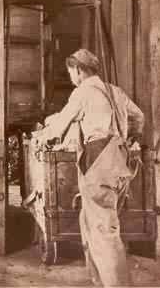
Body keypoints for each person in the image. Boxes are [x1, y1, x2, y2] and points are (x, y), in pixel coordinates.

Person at [34, 49, 144, 286]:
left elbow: (59, 125)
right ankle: (99, 280)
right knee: (89, 222)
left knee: (104, 229)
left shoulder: (82, 92)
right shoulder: (115, 91)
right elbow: (139, 118)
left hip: (99, 161)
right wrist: (128, 137)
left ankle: (117, 285)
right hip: (120, 162)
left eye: (71, 72)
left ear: (80, 70)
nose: (71, 76)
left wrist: (42, 137)